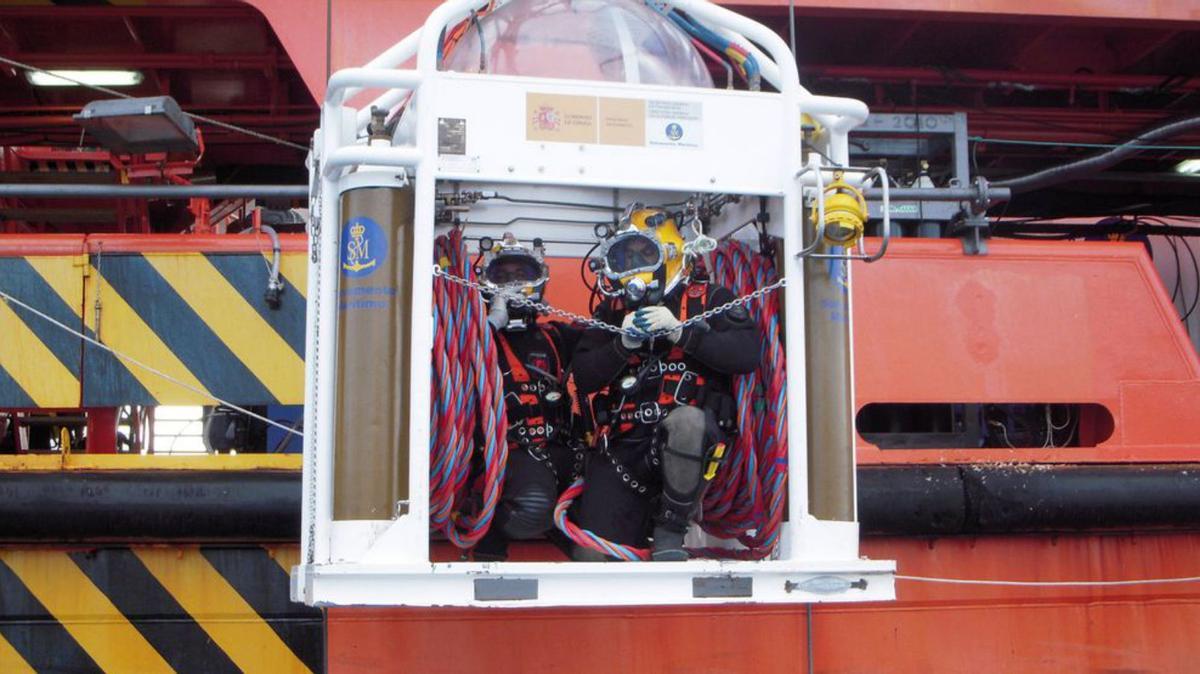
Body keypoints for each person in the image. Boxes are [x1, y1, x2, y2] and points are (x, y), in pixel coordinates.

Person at [570, 207, 762, 561]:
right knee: (590, 558)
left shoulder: (710, 300)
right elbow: (582, 376)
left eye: (644, 254)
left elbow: (746, 354)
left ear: (671, 253)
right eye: (625, 257)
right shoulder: (611, 312)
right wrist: (620, 345)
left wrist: (682, 333)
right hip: (622, 447)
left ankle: (670, 529)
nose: (636, 267)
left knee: (687, 423)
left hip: (688, 447)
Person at [473, 233, 582, 561]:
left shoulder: (556, 337)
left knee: (603, 526)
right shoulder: (471, 339)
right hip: (510, 452)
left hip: (563, 449)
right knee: (531, 509)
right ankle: (489, 527)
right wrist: (488, 326)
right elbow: (447, 373)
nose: (512, 284)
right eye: (502, 276)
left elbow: (605, 342)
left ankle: (560, 525)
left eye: (523, 275)